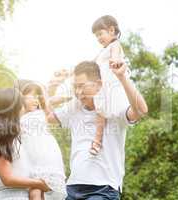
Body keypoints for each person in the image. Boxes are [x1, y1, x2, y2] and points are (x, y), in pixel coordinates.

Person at [45, 60, 148, 199]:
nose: (78, 92)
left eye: (82, 86)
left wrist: (122, 77)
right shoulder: (73, 108)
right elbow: (45, 117)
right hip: (72, 187)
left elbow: (141, 110)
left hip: (103, 189)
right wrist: (51, 89)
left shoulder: (113, 107)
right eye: (75, 87)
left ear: (99, 84)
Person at [0, 88, 50, 200]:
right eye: (21, 105)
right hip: (10, 196)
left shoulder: (14, 137)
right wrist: (39, 184)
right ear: (12, 110)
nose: (23, 108)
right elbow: (7, 179)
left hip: (23, 194)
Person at [16, 79, 67, 200]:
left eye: (37, 97)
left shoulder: (41, 113)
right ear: (20, 97)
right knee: (35, 189)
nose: (35, 100)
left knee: (46, 189)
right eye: (31, 96)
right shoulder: (18, 117)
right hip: (32, 157)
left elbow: (51, 100)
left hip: (48, 155)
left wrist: (57, 86)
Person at [89, 15, 131, 155]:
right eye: (96, 36)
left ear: (112, 30)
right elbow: (92, 63)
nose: (98, 38)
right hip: (102, 86)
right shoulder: (102, 51)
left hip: (111, 84)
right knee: (100, 111)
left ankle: (98, 141)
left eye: (100, 34)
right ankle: (98, 140)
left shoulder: (114, 45)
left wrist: (114, 61)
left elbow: (115, 56)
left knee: (107, 112)